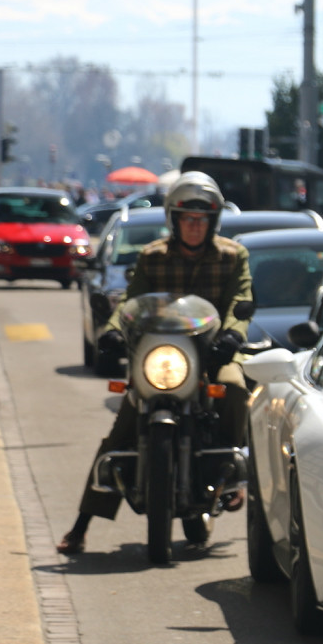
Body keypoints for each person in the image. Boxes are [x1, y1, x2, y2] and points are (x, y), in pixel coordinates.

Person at [58, 171, 253, 555]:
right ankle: (81, 526)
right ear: (174, 220)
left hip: (213, 353)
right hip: (161, 357)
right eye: (187, 219)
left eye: (201, 220)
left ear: (212, 221)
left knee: (235, 388)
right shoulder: (153, 257)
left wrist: (232, 334)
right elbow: (131, 302)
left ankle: (230, 475)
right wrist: (112, 331)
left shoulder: (233, 256)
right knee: (124, 426)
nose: (194, 228)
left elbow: (240, 301)